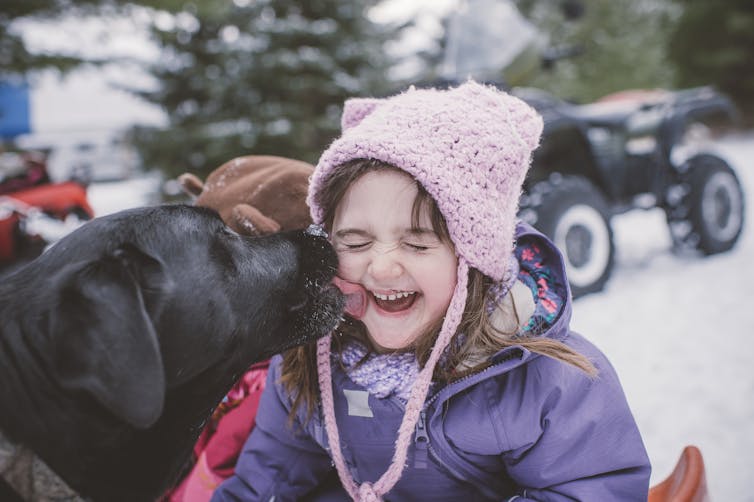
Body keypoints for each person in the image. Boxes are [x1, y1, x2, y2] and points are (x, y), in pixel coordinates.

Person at [212, 81, 651, 501]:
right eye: (356, 242)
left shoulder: (545, 379)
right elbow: (276, 465)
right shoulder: (313, 358)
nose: (381, 267)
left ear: (474, 259)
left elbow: (588, 488)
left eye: (418, 243)